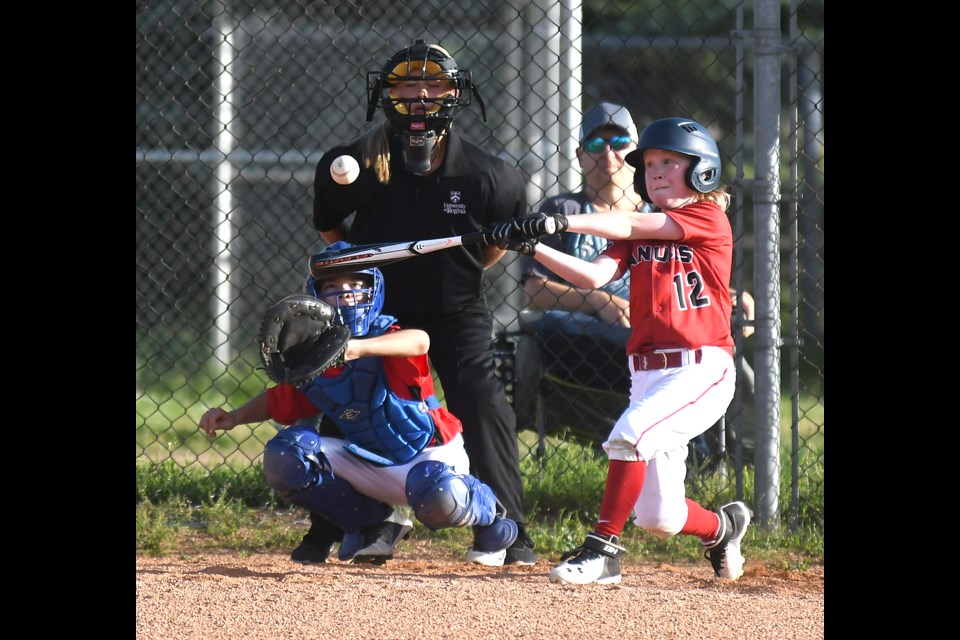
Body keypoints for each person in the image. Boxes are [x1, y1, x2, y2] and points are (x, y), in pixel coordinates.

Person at [308, 40, 537, 567]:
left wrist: (455, 277)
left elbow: (495, 243)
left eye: (434, 84)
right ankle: (355, 521)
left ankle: (507, 526)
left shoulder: (488, 176)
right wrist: (365, 292)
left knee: (481, 400)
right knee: (348, 397)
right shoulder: (352, 165)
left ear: (454, 94)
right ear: (386, 94)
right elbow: (331, 231)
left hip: (454, 308)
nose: (420, 94)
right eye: (408, 84)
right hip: (377, 314)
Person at [501, 117, 752, 585]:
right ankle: (723, 528)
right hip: (647, 373)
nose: (655, 171)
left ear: (702, 172)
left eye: (668, 163)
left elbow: (631, 219)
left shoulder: (705, 216)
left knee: (630, 434)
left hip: (701, 367)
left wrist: (563, 219)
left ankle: (602, 553)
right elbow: (593, 277)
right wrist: (533, 246)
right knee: (660, 517)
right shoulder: (637, 231)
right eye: (650, 164)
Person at [199, 246, 519, 565]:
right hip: (370, 464)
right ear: (316, 298)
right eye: (333, 287)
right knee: (288, 455)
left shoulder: (389, 335)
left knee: (438, 493)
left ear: (374, 291)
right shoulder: (314, 356)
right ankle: (372, 523)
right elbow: (280, 399)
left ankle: (490, 516)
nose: (346, 295)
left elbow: (420, 340)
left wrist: (356, 348)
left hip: (431, 458)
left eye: (356, 286)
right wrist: (235, 417)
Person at [521, 102, 756, 463]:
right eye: (596, 145)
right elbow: (562, 284)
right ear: (581, 155)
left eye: (619, 143)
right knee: (655, 501)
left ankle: (738, 452)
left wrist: (729, 297)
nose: (608, 154)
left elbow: (643, 233)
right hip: (609, 335)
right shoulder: (566, 210)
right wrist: (594, 297)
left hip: (676, 340)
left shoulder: (672, 213)